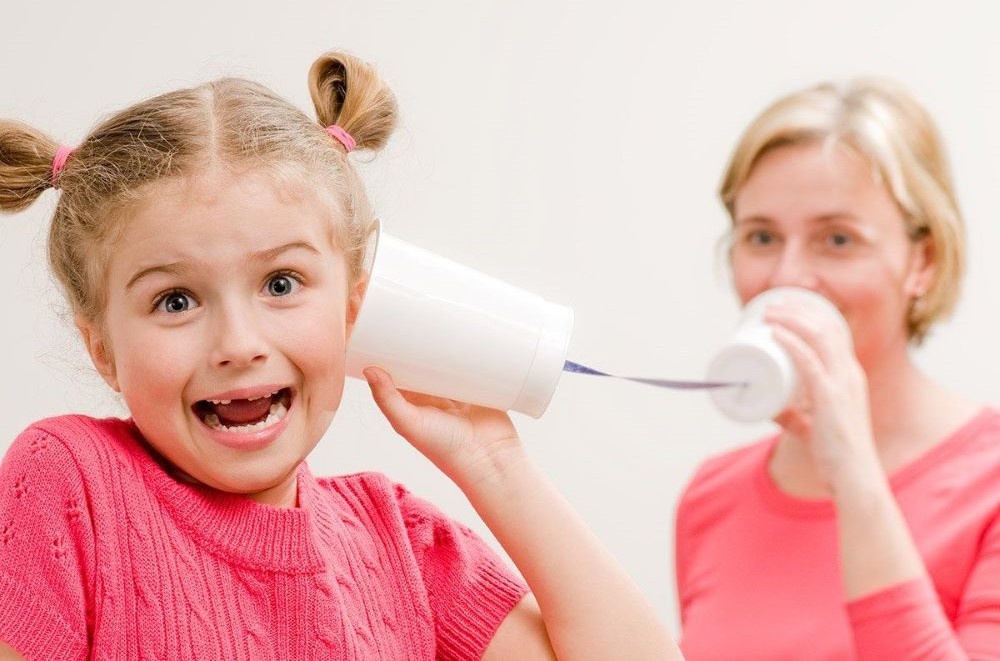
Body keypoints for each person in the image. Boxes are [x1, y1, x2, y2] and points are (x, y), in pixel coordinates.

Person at [0, 50, 679, 660]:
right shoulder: (70, 481)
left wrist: (495, 464)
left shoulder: (399, 541)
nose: (238, 345)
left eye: (280, 284)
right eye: (176, 300)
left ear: (354, 310)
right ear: (102, 349)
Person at [674, 78, 1000, 659]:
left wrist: (853, 474)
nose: (787, 277)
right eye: (762, 237)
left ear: (923, 260)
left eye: (838, 239)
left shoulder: (990, 484)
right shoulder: (710, 497)